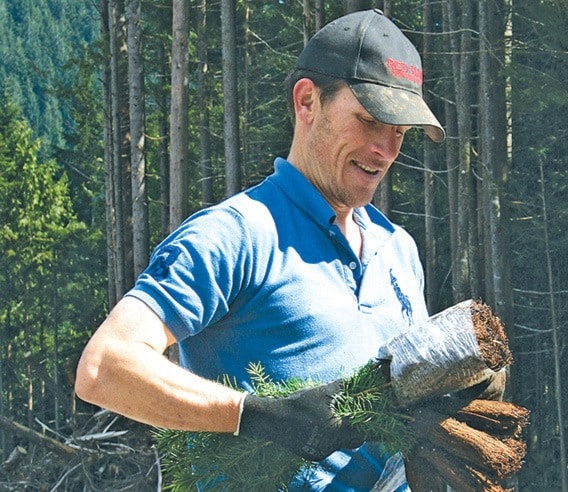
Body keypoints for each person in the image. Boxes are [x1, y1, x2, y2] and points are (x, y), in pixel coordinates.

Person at [76, 9, 446, 490]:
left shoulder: (399, 250)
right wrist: (258, 416)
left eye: (399, 130)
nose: (385, 149)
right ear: (308, 101)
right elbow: (104, 366)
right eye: (370, 119)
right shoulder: (235, 235)